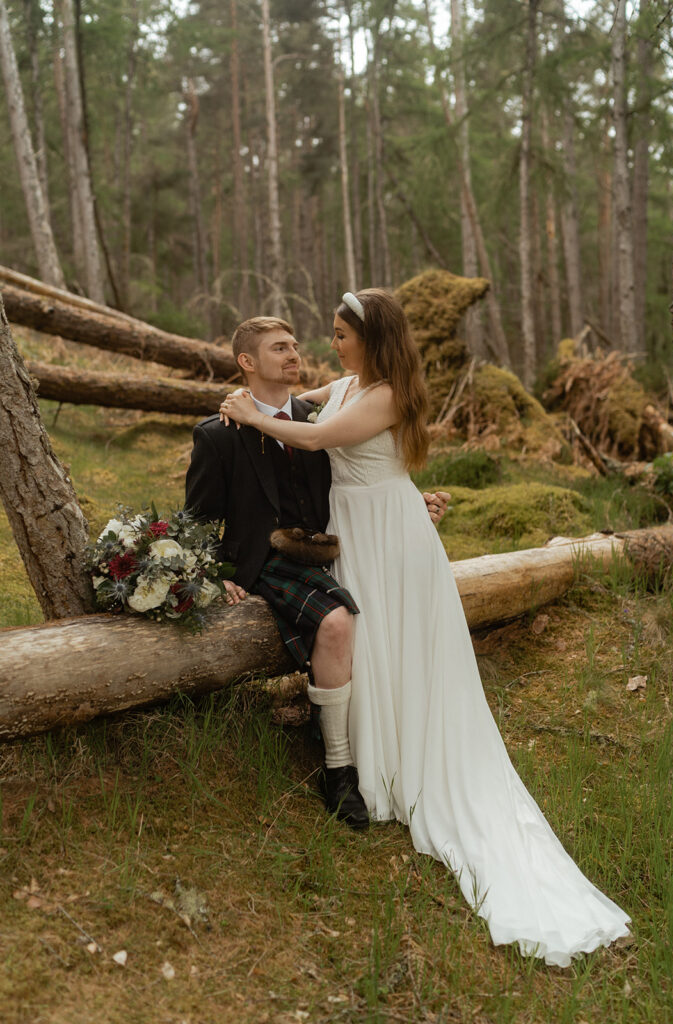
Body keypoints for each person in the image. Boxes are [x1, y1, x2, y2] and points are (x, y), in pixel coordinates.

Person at [220, 288, 631, 967]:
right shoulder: (350, 382)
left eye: (340, 334)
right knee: (373, 643)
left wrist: (249, 417)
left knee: (402, 645)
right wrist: (239, 404)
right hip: (357, 526)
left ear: (370, 338)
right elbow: (294, 403)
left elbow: (316, 435)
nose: (331, 344)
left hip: (390, 534)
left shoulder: (386, 394)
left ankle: (399, 764)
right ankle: (365, 758)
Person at [185, 314, 449, 832]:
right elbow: (196, 518)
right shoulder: (219, 433)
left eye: (293, 345)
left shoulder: (315, 414)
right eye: (279, 348)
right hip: (265, 560)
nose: (295, 354)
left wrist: (409, 503)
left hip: (328, 546)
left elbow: (357, 472)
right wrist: (217, 573)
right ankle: (340, 768)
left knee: (358, 624)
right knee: (336, 622)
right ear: (247, 362)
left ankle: (345, 749)